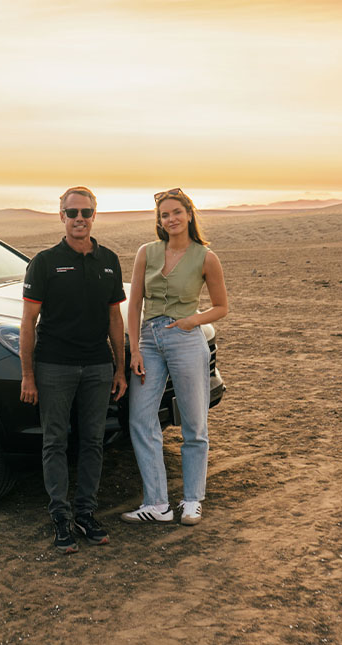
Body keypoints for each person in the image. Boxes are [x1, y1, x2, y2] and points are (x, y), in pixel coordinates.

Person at [20, 186, 128, 553]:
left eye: (85, 212)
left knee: (93, 441)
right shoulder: (45, 262)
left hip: (98, 366)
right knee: (55, 441)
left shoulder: (109, 260)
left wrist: (119, 369)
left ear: (94, 215)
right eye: (72, 213)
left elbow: (115, 319)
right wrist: (28, 375)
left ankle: (85, 513)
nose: (79, 219)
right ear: (61, 216)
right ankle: (60, 518)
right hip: (54, 366)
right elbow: (28, 322)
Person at [120, 188, 228, 526]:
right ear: (160, 221)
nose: (171, 219)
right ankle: (157, 504)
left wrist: (192, 320)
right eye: (164, 215)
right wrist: (135, 349)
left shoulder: (206, 257)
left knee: (194, 423)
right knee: (141, 419)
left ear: (189, 214)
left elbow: (221, 307)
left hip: (186, 340)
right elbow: (134, 304)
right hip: (149, 342)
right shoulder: (147, 252)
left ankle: (192, 500)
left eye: (176, 212)